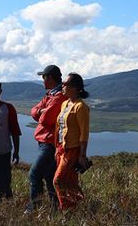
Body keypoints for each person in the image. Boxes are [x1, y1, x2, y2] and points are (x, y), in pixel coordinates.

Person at [25, 65, 67, 212]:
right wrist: (41, 111)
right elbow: (34, 111)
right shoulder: (50, 95)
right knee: (50, 178)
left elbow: (46, 119)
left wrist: (41, 111)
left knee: (34, 174)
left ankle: (33, 209)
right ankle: (55, 209)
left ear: (50, 78)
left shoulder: (60, 96)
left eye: (43, 77)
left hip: (50, 143)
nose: (42, 80)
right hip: (46, 142)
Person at [53, 73, 90, 210]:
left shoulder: (81, 107)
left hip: (73, 150)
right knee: (69, 181)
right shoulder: (65, 104)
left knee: (58, 180)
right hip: (62, 149)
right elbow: (60, 127)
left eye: (65, 84)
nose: (62, 86)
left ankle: (66, 209)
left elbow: (84, 132)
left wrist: (82, 155)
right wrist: (57, 147)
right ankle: (77, 207)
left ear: (74, 87)